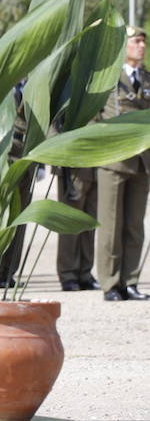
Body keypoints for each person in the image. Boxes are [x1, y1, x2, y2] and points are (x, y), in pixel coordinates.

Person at [95, 26, 150, 301]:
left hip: (142, 163)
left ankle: (130, 281)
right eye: (135, 41)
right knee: (110, 225)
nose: (141, 45)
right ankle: (110, 283)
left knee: (134, 226)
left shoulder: (148, 78)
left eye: (143, 41)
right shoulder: (107, 79)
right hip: (113, 161)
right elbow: (92, 117)